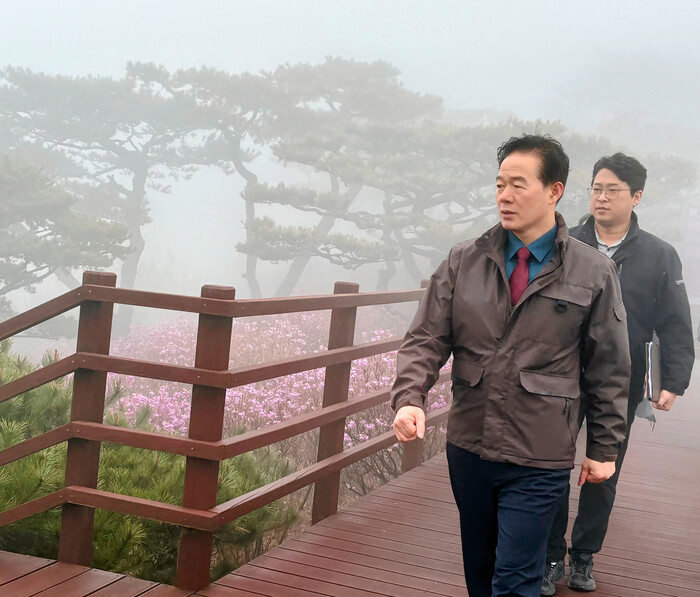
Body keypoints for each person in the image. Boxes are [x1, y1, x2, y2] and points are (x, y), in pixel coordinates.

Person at [391, 134, 631, 597]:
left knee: (517, 577)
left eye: (519, 185)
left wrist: (604, 449)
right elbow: (426, 337)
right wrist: (409, 398)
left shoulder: (593, 271)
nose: (505, 195)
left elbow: (609, 369)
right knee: (480, 573)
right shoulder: (464, 260)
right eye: (500, 184)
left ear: (554, 191)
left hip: (539, 452)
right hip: (470, 444)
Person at [542, 153, 695, 594]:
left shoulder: (659, 255)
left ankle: (584, 555)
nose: (602, 197)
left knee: (604, 467)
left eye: (612, 190)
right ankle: (550, 555)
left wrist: (674, 381)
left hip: (621, 381)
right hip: (562, 376)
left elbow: (675, 321)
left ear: (636, 196)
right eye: (596, 188)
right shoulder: (563, 242)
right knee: (551, 465)